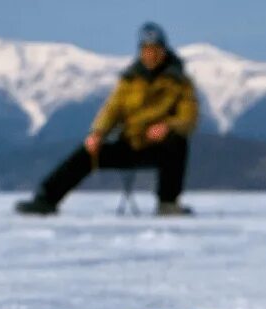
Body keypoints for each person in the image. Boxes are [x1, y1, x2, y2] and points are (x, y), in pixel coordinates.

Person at [16, 22, 199, 216]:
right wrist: (97, 133)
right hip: (130, 143)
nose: (150, 54)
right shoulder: (129, 80)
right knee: (87, 151)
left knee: (178, 142)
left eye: (155, 49)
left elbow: (189, 118)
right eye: (145, 49)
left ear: (163, 51)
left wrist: (167, 126)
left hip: (158, 146)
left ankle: (168, 203)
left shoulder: (180, 83)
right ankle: (46, 199)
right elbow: (112, 110)